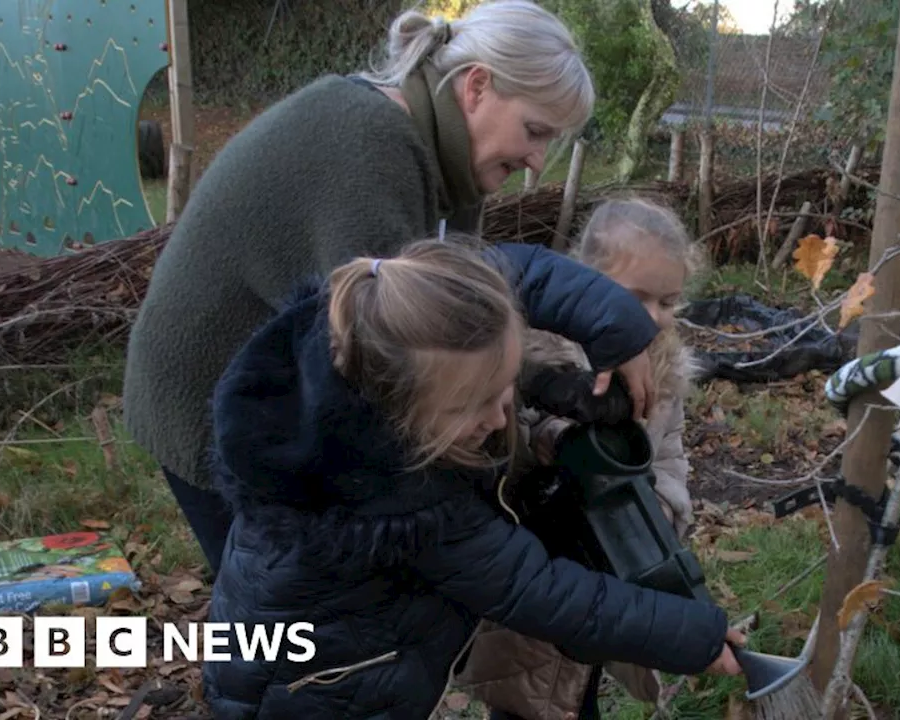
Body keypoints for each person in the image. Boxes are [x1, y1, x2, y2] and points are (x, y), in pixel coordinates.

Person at [120, 0, 650, 577]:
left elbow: (462, 328)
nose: (536, 162)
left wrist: (552, 387)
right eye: (535, 131)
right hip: (208, 390)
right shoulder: (368, 144)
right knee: (286, 608)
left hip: (289, 379)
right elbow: (405, 354)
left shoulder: (452, 166)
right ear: (477, 87)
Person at [201, 236, 746, 719]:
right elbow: (544, 593)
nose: (499, 418)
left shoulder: (364, 343)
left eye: (506, 386)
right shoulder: (407, 509)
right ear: (405, 414)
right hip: (314, 695)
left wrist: (617, 327)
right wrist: (692, 636)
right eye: (475, 405)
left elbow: (513, 270)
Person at [456, 197, 705, 720]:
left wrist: (660, 504)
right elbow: (502, 441)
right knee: (524, 694)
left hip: (607, 571)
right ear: (586, 279)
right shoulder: (536, 353)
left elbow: (671, 460)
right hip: (537, 569)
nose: (654, 318)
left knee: (576, 687)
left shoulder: (664, 376)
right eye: (637, 298)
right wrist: (556, 433)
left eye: (668, 302)